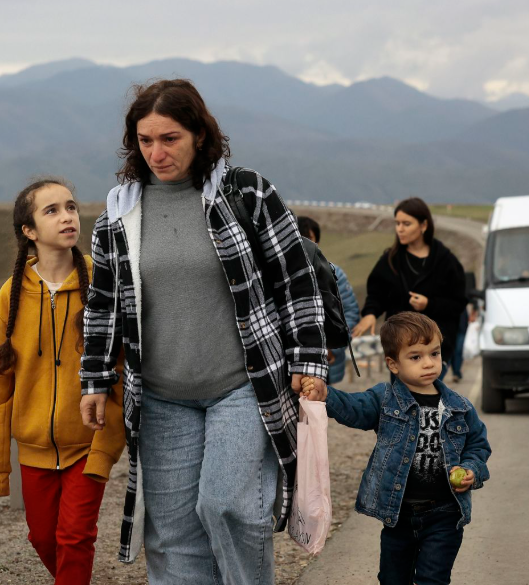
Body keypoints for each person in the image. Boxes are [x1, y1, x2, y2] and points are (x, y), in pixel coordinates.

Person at [79, 79, 328, 584]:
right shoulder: (119, 213)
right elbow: (103, 304)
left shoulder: (245, 192)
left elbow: (296, 280)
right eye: (145, 140)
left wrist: (308, 364)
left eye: (169, 138)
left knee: (229, 507)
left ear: (198, 134)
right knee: (171, 534)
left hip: (241, 386)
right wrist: (95, 379)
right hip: (162, 397)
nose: (156, 151)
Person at [0, 178, 126, 584]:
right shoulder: (10, 297)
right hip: (32, 449)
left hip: (88, 443)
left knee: (75, 537)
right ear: (28, 231)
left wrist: (107, 446)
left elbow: (123, 372)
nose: (67, 217)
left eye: (71, 207)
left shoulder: (104, 285)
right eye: (52, 210)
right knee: (44, 538)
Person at [301, 311, 491, 585]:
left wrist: (471, 468)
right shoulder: (385, 398)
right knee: (391, 579)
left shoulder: (459, 407)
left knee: (432, 579)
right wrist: (326, 395)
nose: (428, 363)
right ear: (393, 364)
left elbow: (478, 444)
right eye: (416, 357)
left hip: (445, 513)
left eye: (434, 354)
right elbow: (356, 409)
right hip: (398, 515)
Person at [351, 198, 467, 379]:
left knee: (425, 400)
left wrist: (429, 304)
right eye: (397, 223)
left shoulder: (446, 262)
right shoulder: (390, 260)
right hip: (401, 349)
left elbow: (458, 303)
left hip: (434, 349)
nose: (400, 229)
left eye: (406, 223)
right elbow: (377, 293)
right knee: (402, 402)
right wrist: (370, 313)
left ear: (423, 225)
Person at [298, 216, 360, 384]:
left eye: (309, 238)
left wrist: (333, 350)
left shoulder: (334, 273)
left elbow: (350, 313)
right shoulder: (278, 275)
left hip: (327, 365)